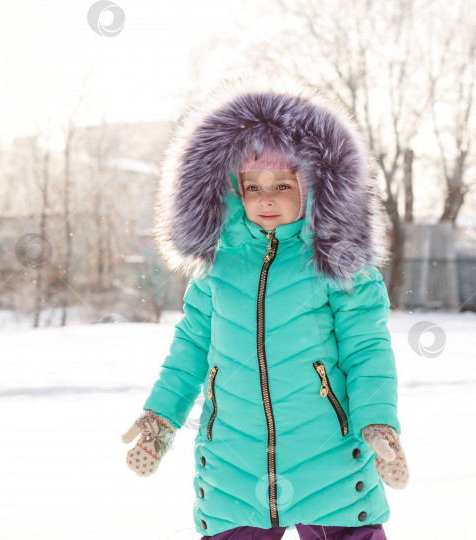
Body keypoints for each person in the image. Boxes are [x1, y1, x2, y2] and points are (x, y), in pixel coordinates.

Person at [121, 71, 409, 540]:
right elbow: (190, 350)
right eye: (254, 186)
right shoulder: (220, 267)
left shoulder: (337, 266)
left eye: (283, 185)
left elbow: (367, 351)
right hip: (237, 459)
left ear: (313, 186)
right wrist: (162, 418)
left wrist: (378, 421)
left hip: (328, 451)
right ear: (234, 189)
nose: (266, 199)